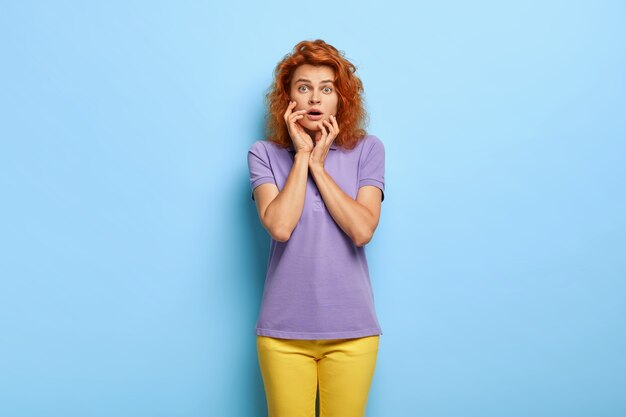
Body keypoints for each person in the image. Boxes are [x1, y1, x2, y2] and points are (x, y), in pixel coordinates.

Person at [247, 39, 386, 417]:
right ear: (287, 98)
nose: (315, 98)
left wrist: (320, 170)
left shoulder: (368, 150)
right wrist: (304, 156)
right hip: (283, 335)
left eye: (326, 89)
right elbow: (279, 226)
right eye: (303, 87)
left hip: (353, 332)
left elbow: (362, 230)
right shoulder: (264, 154)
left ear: (340, 99)